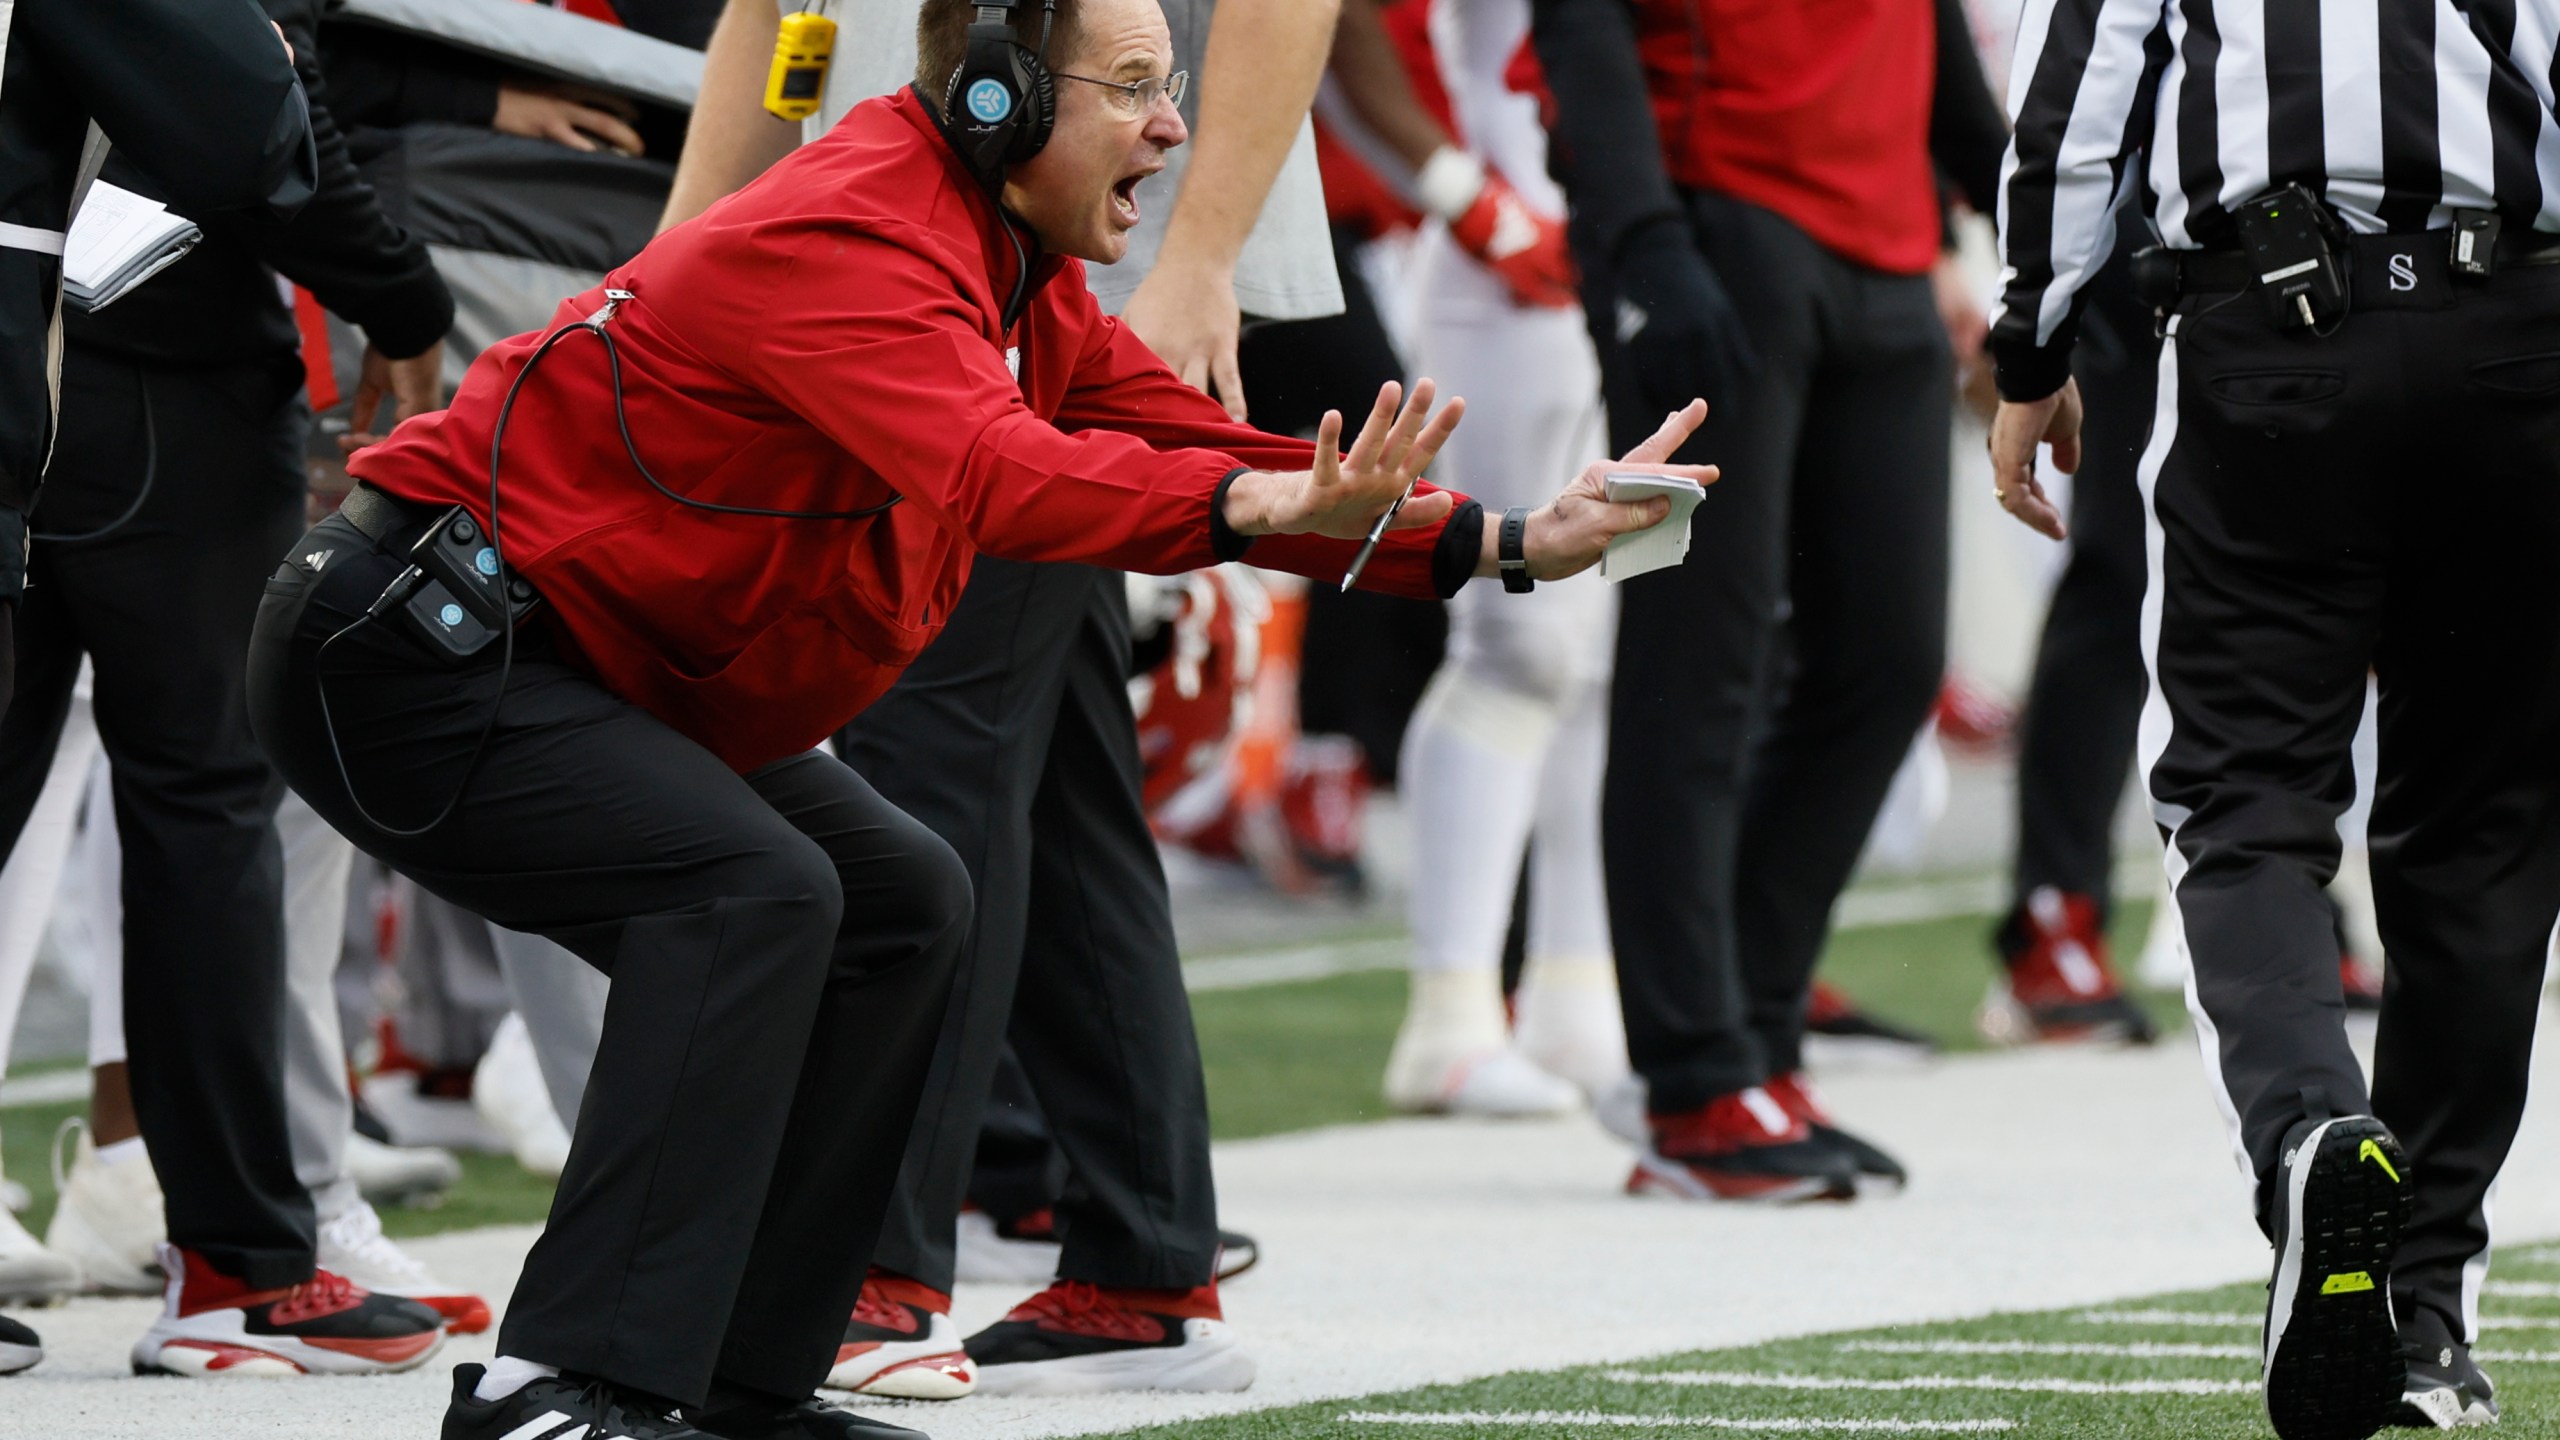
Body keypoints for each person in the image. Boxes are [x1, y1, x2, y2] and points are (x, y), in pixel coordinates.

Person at [245, 0, 1701, 1433]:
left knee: (900, 899)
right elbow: (1006, 476)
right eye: (1134, 84)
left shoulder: (1007, 263)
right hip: (416, 650)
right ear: (1000, 97)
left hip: (561, 653)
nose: (1174, 124)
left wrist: (1509, 539)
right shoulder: (861, 233)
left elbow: (1196, 443)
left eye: (1170, 82)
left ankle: (738, 1381)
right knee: (756, 893)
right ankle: (554, 1382)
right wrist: (1255, 500)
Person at [668, 0, 1340, 1399]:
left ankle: (880, 1277)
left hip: (1070, 270)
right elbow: (774, 11)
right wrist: (677, 262)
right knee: (1057, 767)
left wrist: (1198, 255)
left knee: (940, 754)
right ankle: (1146, 1270)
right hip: (897, 260)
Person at [1988, 3, 2560, 1435]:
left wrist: (2028, 344)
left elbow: (2075, 95)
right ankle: (2422, 1316)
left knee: (2242, 799)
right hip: (2520, 341)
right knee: (2486, 832)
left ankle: (2312, 1128)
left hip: (2274, 336)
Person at [0, 0, 463, 1381]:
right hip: (142, 395)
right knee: (205, 814)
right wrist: (404, 293)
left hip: (71, 374)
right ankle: (240, 1267)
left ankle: (243, 1256)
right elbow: (246, 123)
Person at [1528, 0, 2006, 1202]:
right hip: (1711, 220)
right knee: (1697, 661)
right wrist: (1642, 237)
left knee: (1889, 661)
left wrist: (2027, 213)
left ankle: (1746, 1026)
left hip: (1886, 234)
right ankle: (1694, 1075)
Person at [1325, 0, 1626, 1117]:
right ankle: (1450, 1013)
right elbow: (1335, 25)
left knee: (1597, 651)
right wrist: (1470, 201)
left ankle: (1573, 995)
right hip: (1513, 273)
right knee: (1518, 645)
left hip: (1611, 242)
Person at [0, 0, 315, 712]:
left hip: (98, 368)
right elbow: (254, 123)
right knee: (200, 776)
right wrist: (407, 303)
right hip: (158, 377)